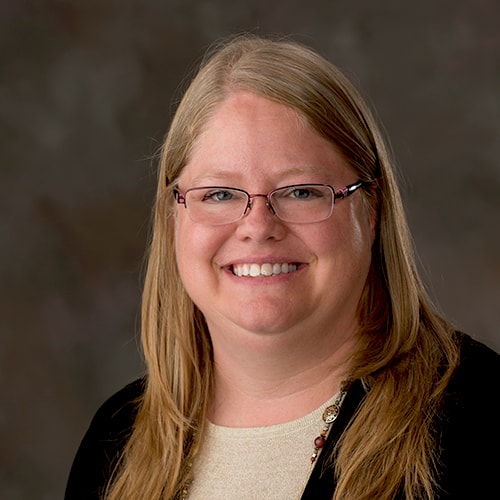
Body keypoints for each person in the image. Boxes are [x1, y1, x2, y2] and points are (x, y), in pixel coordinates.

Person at [65, 35, 500, 500]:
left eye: (300, 191)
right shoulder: (115, 442)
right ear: (173, 215)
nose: (257, 227)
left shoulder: (479, 418)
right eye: (219, 194)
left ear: (371, 212)